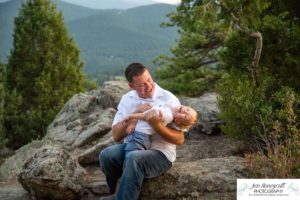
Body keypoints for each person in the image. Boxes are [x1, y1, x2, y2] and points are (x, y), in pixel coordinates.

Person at [99, 62, 190, 200]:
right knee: (106, 155)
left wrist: (157, 126)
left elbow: (180, 139)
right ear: (131, 86)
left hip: (160, 154)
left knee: (134, 158)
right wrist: (134, 115)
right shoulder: (127, 100)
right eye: (142, 85)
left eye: (149, 80)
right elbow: (116, 135)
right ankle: (115, 193)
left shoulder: (169, 99)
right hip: (134, 144)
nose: (148, 86)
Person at [122, 103, 197, 156]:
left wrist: (131, 116)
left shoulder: (167, 114)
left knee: (130, 157)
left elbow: (145, 116)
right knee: (128, 157)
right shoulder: (169, 108)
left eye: (185, 116)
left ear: (177, 121)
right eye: (187, 109)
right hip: (141, 136)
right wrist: (133, 122)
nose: (185, 111)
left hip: (140, 136)